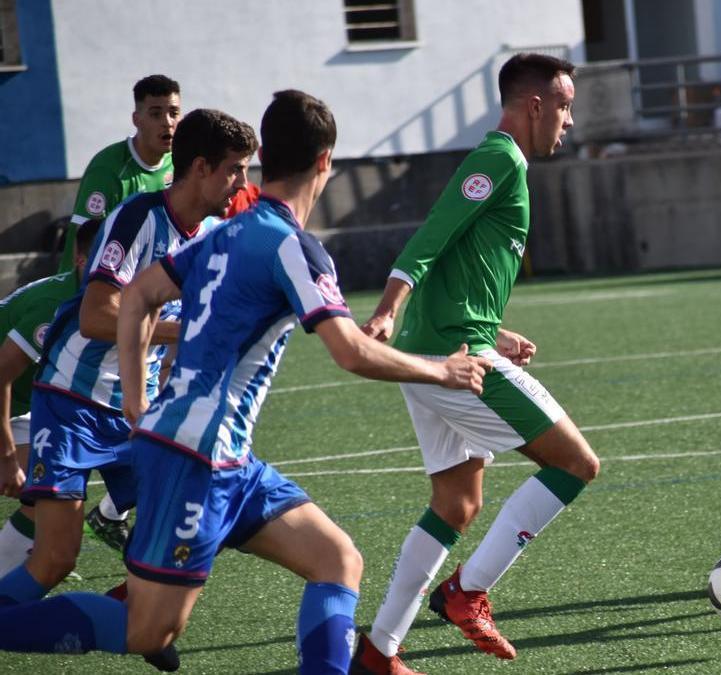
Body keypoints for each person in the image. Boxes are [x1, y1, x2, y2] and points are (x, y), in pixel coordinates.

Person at [0, 89, 490, 674]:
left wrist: (136, 404)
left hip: (219, 455)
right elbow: (351, 354)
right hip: (194, 459)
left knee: (338, 560)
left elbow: (139, 297)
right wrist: (445, 369)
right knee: (145, 627)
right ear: (326, 161)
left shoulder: (221, 233)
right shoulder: (293, 246)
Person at [351, 53, 600, 675]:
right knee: (576, 464)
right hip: (451, 357)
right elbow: (431, 235)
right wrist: (386, 309)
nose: (570, 121)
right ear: (534, 105)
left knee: (455, 503)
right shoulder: (499, 158)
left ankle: (380, 650)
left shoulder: (505, 164)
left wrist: (496, 330)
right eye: (565, 106)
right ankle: (467, 592)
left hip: (445, 344)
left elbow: (460, 260)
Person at [0, 108, 256, 614]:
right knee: (53, 559)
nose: (242, 183)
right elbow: (97, 317)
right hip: (73, 403)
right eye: (235, 169)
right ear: (201, 167)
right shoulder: (139, 217)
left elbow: (173, 335)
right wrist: (189, 331)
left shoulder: (204, 237)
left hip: (131, 412)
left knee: (202, 503)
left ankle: (136, 607)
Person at [0, 219, 100, 576]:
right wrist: (8, 455)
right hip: (8, 400)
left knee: (44, 495)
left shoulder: (104, 297)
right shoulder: (55, 306)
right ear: (80, 260)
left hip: (23, 406)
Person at [62, 75, 181, 274]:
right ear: (137, 119)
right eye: (156, 114)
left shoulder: (178, 163)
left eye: (174, 113)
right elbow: (82, 242)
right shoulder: (108, 170)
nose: (167, 122)